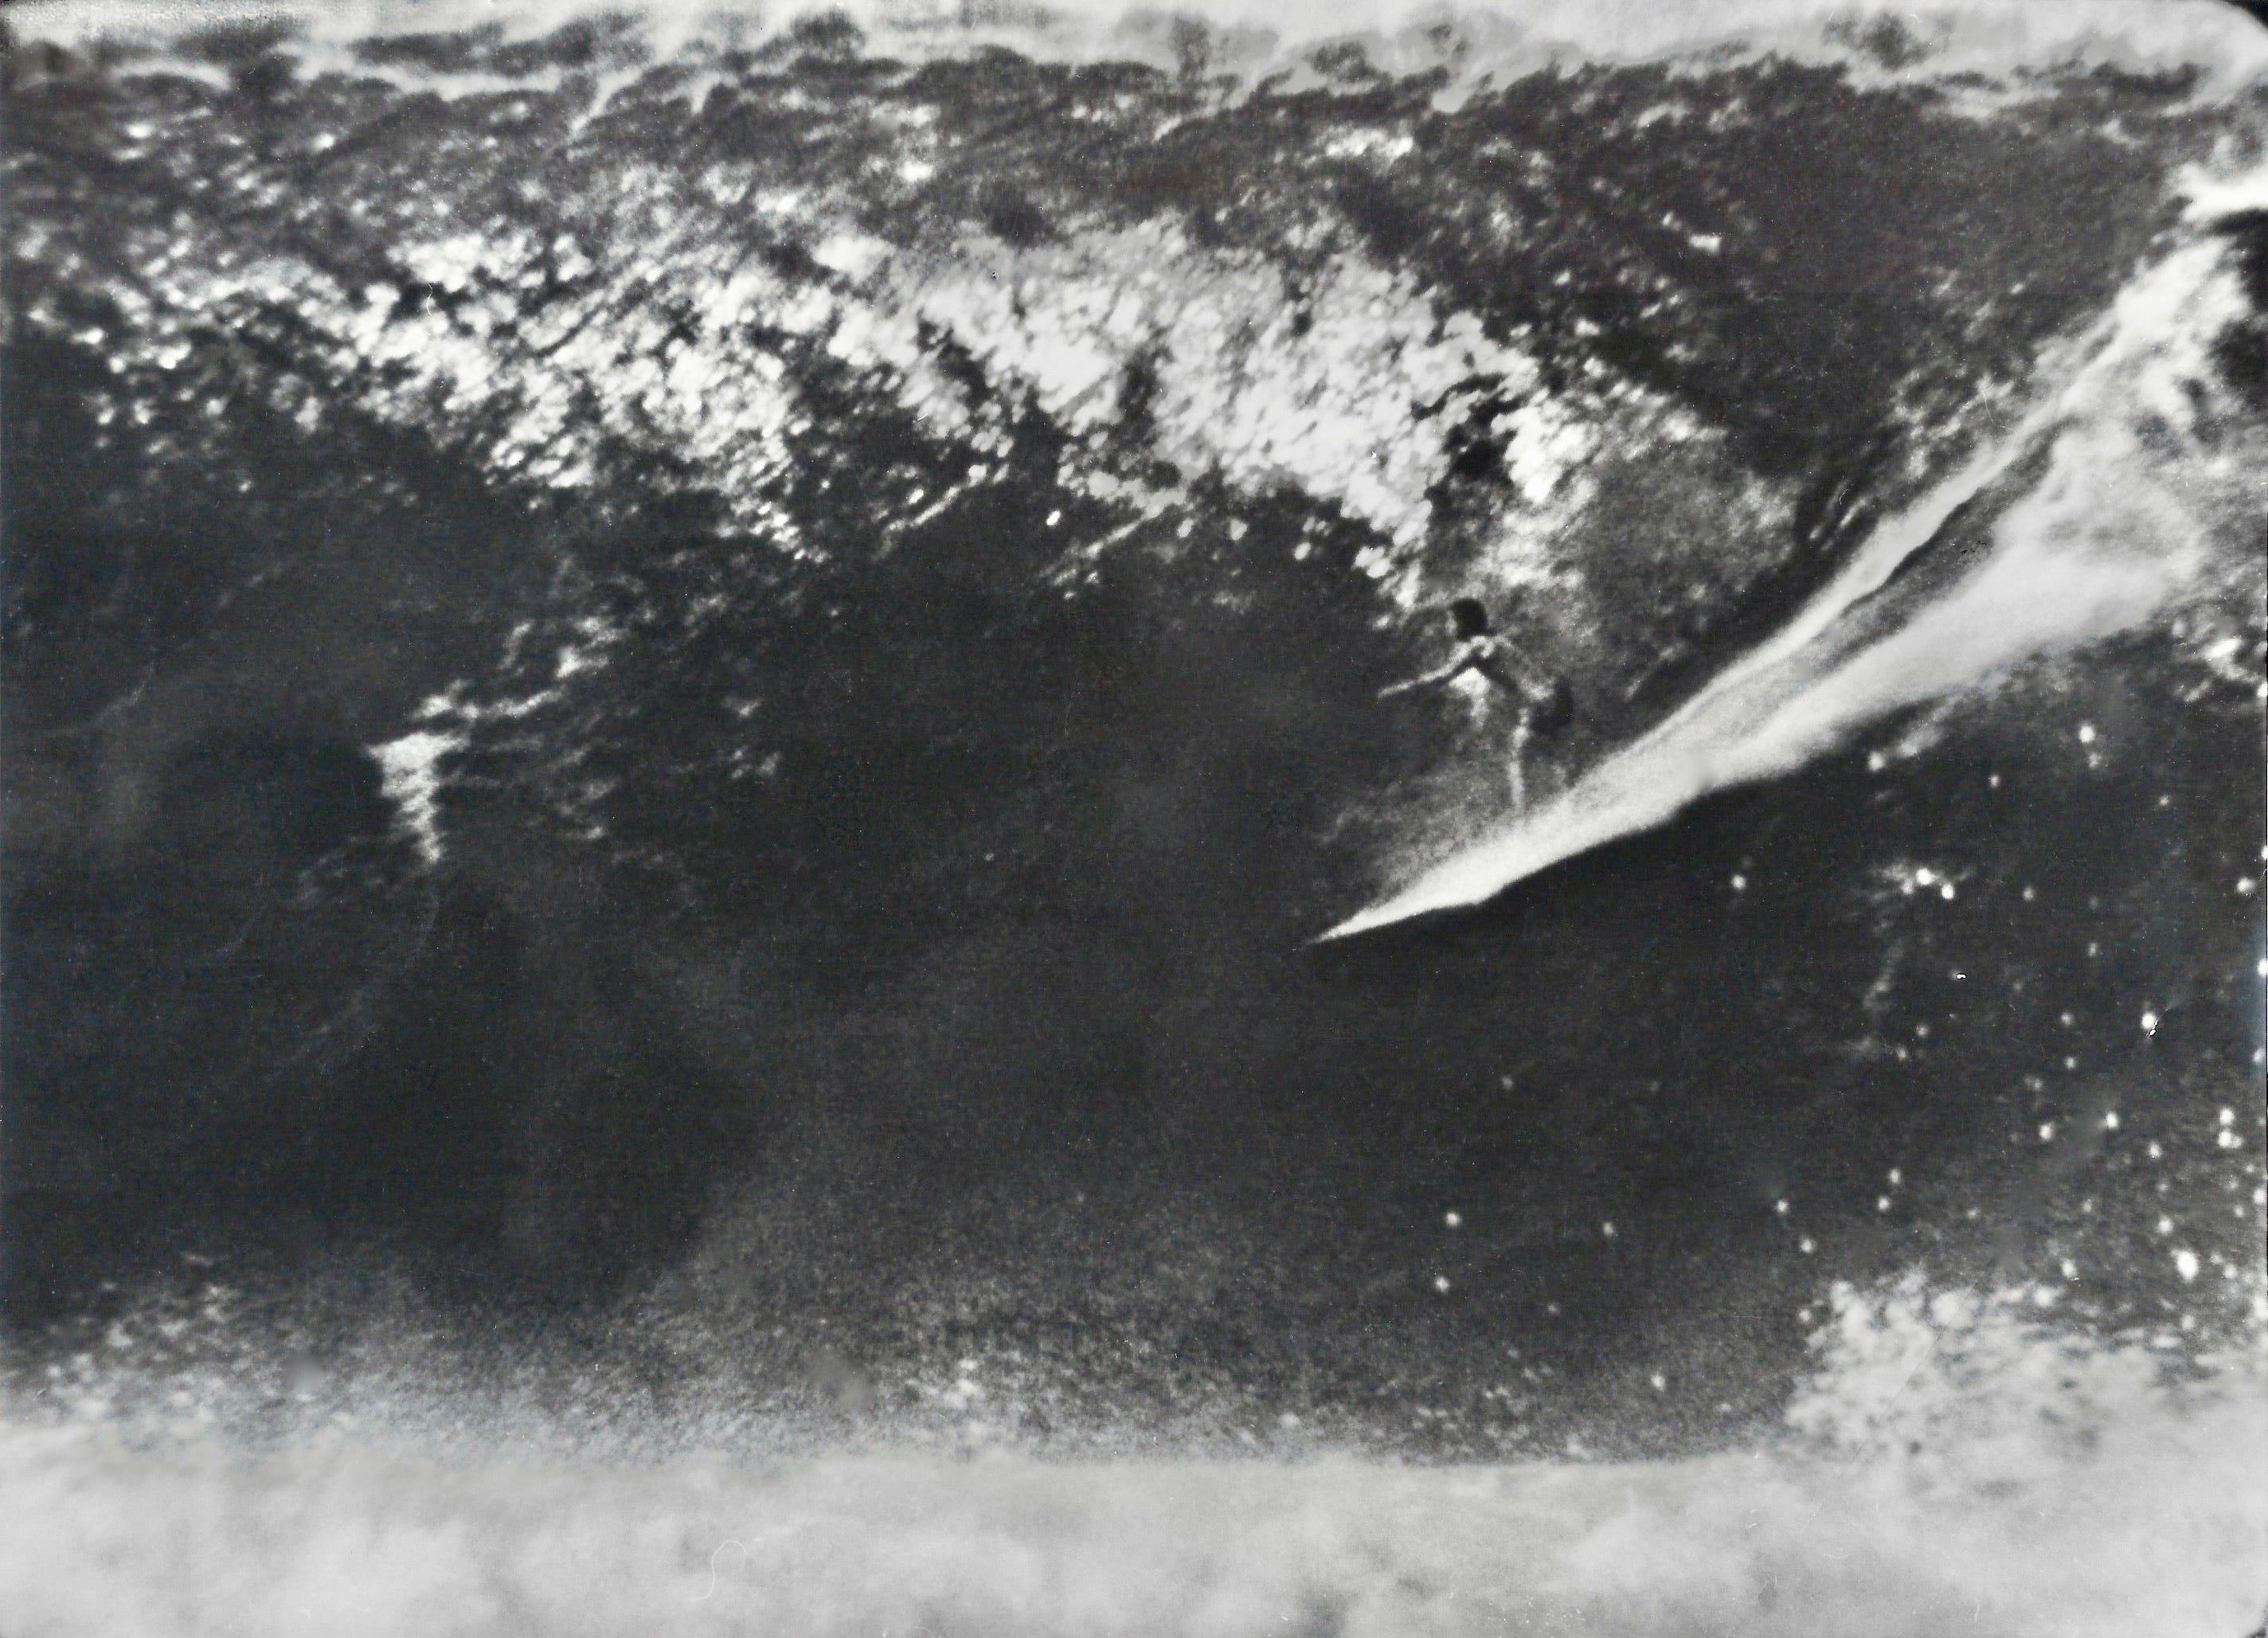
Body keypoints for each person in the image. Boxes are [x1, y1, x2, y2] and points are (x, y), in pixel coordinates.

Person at [1379, 596, 1572, 813]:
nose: (1447, 626)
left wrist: (1399, 689)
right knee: (1549, 754)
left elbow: (1442, 677)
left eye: (1451, 621)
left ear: (1464, 623)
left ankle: (1525, 823)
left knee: (1518, 761)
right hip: (1554, 695)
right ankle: (1568, 807)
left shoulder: (1476, 646)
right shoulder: (1495, 638)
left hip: (1539, 704)